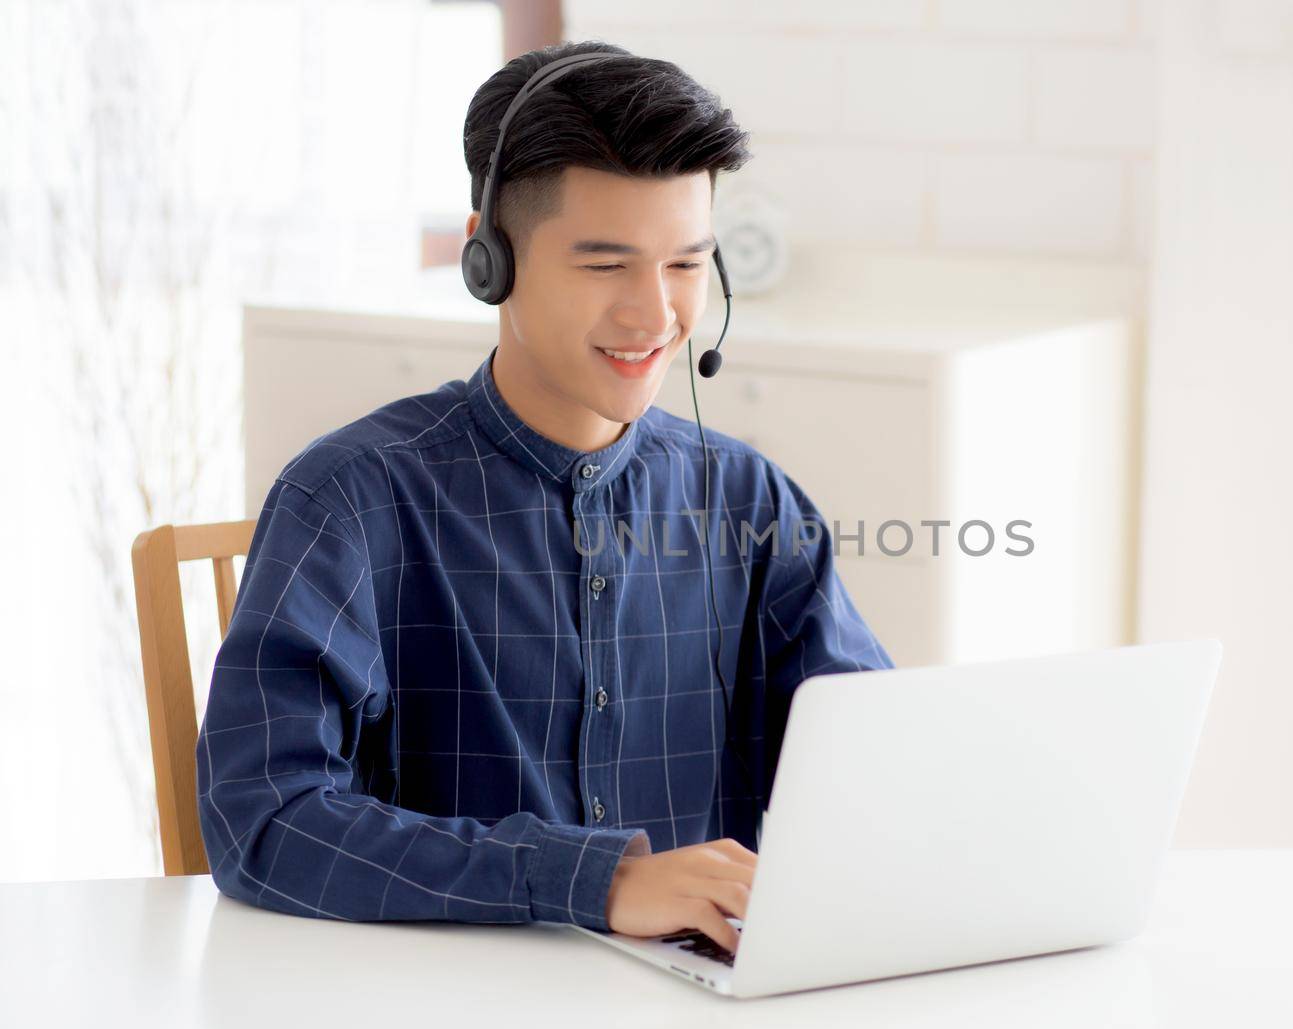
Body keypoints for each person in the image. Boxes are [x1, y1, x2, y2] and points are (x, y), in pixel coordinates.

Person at [195, 41, 892, 956]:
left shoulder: (750, 500)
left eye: (687, 265)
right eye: (606, 266)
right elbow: (264, 822)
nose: (656, 315)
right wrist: (597, 881)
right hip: (438, 1020)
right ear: (491, 257)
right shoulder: (353, 499)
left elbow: (874, 768)